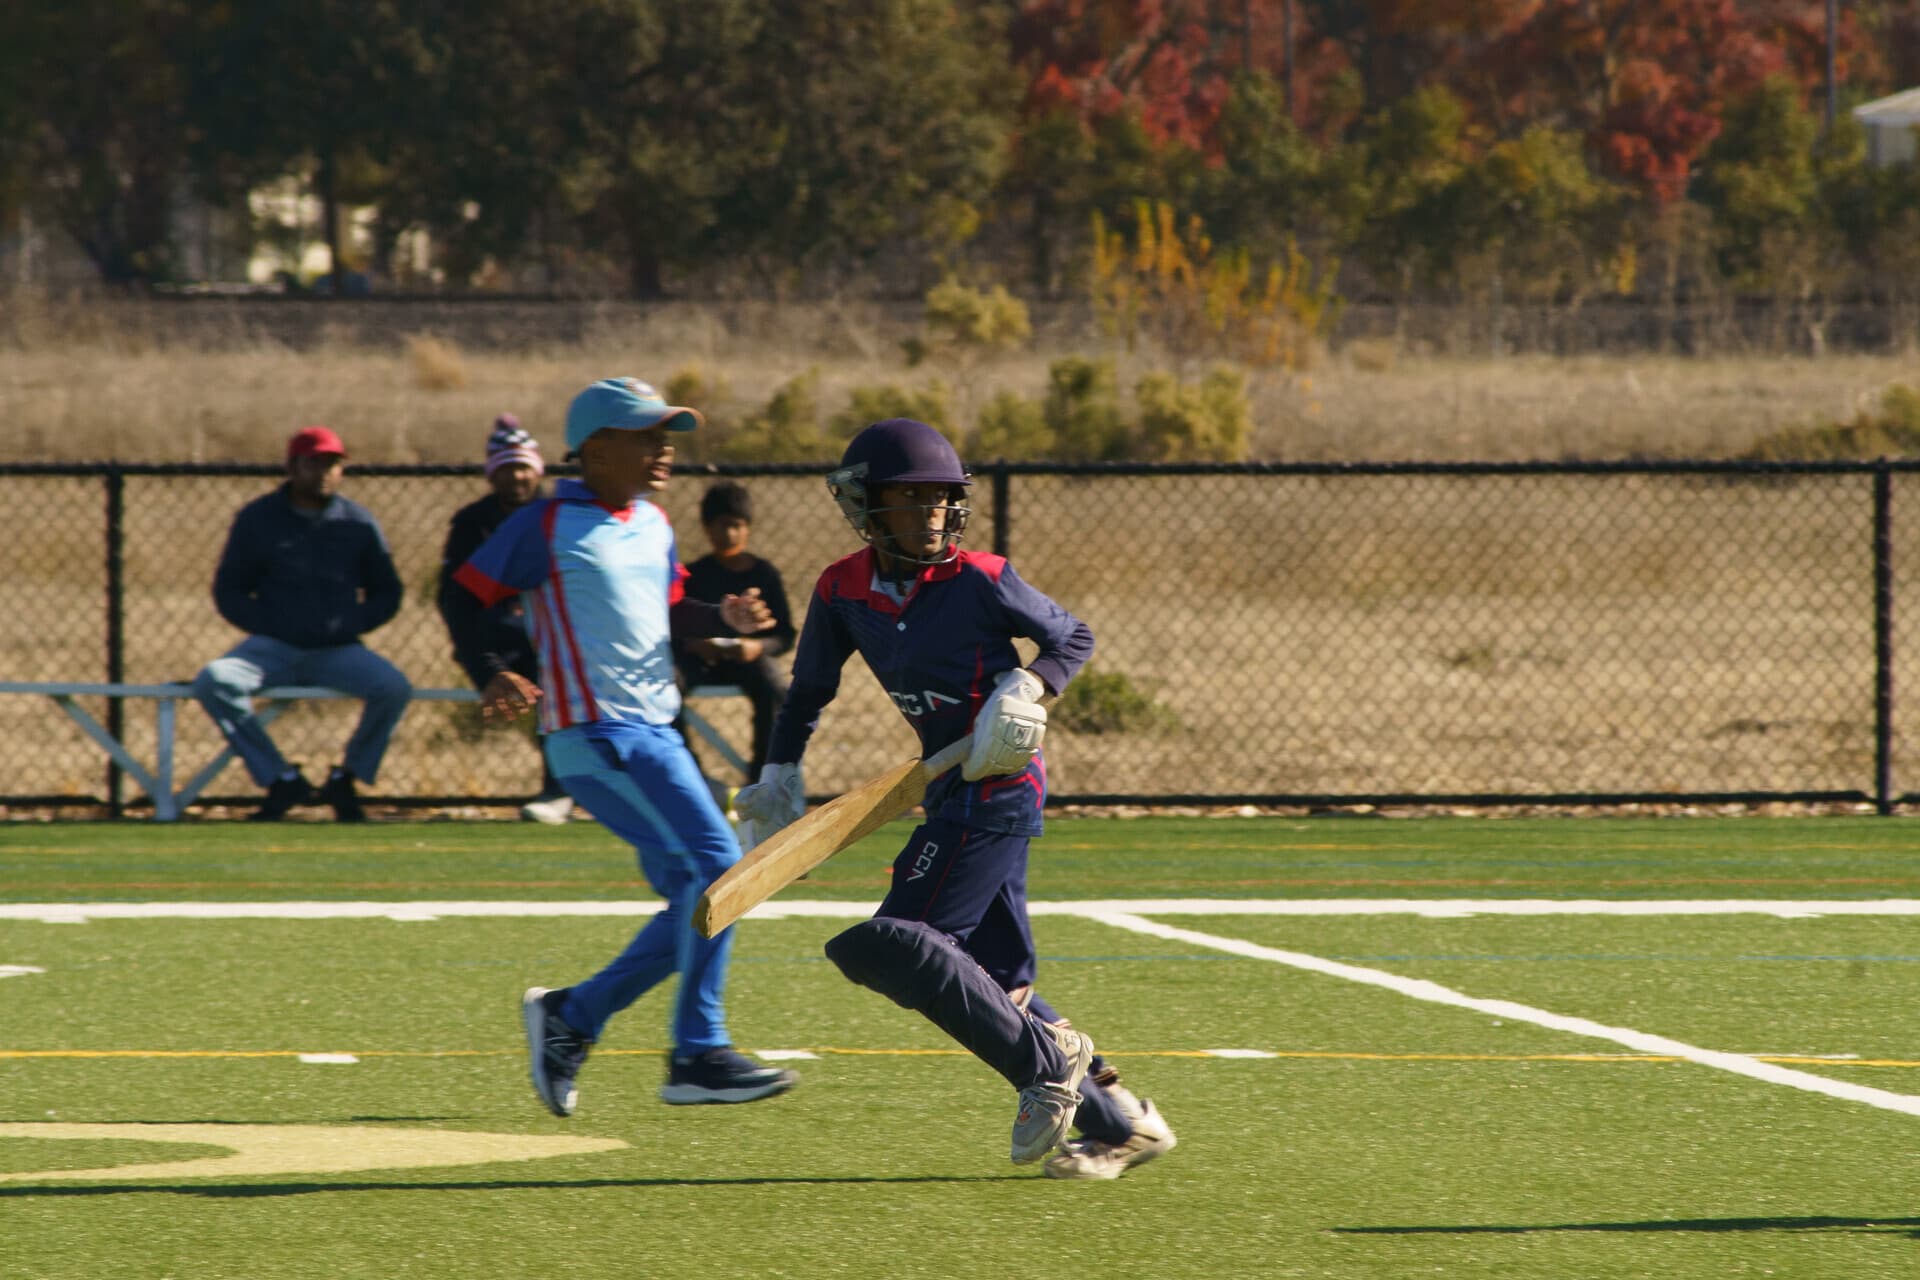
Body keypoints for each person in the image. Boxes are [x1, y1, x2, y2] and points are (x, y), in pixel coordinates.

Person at [734, 418, 1175, 1179]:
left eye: (942, 502)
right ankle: (1123, 1123)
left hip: (1001, 786)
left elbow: (1073, 636)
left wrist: (1029, 683)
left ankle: (1049, 1063)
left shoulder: (982, 578)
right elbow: (806, 692)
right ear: (865, 508)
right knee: (998, 982)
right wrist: (779, 773)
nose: (933, 517)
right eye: (912, 502)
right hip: (946, 789)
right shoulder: (841, 590)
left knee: (894, 941)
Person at [449, 376, 799, 1115]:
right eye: (647, 436)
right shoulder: (546, 523)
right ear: (596, 448)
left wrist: (723, 612)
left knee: (695, 895)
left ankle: (573, 1018)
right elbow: (463, 595)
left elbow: (669, 607)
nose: (664, 449)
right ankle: (698, 1053)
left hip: (655, 735)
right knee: (721, 869)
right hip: (596, 737)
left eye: (667, 435)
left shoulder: (655, 522)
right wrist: (495, 670)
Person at [191, 425, 411, 823]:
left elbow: (387, 591)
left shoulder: (357, 523)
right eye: (315, 463)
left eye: (333, 464)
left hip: (338, 650)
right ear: (292, 467)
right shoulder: (258, 519)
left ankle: (348, 778)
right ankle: (280, 778)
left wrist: (350, 624)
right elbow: (230, 590)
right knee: (215, 681)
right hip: (273, 648)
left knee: (393, 687)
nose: (325, 472)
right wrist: (271, 624)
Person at [435, 415, 573, 824]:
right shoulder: (470, 524)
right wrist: (487, 663)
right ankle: (561, 789)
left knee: (559, 679)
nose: (516, 477)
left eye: (524, 466)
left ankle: (564, 789)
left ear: (538, 470)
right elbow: (456, 600)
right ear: (492, 474)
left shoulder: (559, 516)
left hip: (547, 638)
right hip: (489, 638)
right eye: (507, 467)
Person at [673, 481, 796, 778]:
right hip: (700, 661)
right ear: (706, 527)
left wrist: (757, 647)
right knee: (664, 688)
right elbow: (675, 625)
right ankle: (691, 775)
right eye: (720, 525)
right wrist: (695, 644)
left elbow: (784, 635)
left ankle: (763, 779)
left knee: (774, 687)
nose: (729, 533)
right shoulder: (695, 574)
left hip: (747, 661)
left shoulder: (763, 574)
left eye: (736, 525)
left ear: (748, 528)